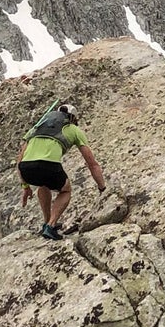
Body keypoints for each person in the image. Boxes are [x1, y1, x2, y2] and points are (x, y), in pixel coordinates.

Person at [18, 101, 105, 240]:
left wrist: (25, 186)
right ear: (72, 118)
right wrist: (102, 188)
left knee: (43, 184)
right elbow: (92, 164)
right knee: (65, 191)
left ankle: (46, 222)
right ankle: (51, 226)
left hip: (26, 168)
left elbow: (20, 158)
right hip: (49, 165)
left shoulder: (37, 128)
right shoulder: (73, 129)